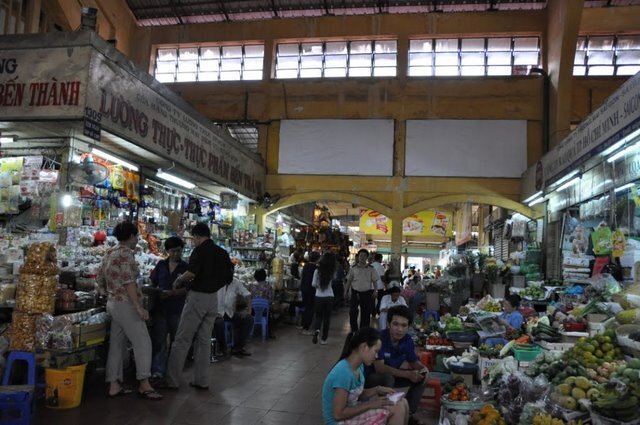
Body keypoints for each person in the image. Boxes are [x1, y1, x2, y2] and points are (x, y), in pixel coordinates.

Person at [161, 222, 234, 391]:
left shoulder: (199, 251)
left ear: (197, 236)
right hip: (213, 299)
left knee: (182, 339)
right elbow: (228, 278)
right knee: (204, 340)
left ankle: (172, 380)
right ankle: (202, 380)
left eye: (193, 238)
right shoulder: (222, 253)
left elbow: (192, 272)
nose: (193, 241)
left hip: (197, 297)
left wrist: (179, 279)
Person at [99, 221, 161, 400]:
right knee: (143, 342)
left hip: (113, 303)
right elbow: (128, 282)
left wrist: (108, 293)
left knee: (116, 344)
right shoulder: (126, 254)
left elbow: (100, 278)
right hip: (126, 304)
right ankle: (144, 383)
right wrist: (138, 307)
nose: (137, 240)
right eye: (136, 237)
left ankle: (114, 384)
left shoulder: (110, 252)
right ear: (132, 236)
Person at [322, 328, 410, 425]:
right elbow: (338, 414)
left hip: (349, 415)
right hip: (339, 422)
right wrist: (371, 404)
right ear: (364, 347)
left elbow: (355, 395)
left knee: (403, 402)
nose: (376, 356)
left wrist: (377, 389)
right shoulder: (343, 373)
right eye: (375, 351)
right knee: (397, 408)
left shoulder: (359, 366)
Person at [366, 306, 428, 417]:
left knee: (422, 377)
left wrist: (423, 369)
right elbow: (380, 368)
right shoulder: (379, 339)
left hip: (394, 375)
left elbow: (413, 361)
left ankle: (408, 412)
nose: (399, 329)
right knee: (387, 378)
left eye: (404, 325)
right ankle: (384, 412)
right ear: (388, 324)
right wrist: (407, 374)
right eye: (395, 324)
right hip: (372, 378)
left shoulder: (407, 340)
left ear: (408, 327)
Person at [149, 236, 188, 380]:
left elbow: (189, 288)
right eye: (173, 251)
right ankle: (158, 370)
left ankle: (173, 371)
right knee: (159, 341)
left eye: (178, 251)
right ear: (167, 251)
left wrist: (172, 293)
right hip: (160, 308)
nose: (176, 254)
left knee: (176, 341)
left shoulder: (185, 268)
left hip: (177, 309)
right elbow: (153, 282)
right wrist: (156, 292)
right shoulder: (161, 265)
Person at [217, 275, 254, 356]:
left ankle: (238, 347)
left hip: (230, 313)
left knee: (248, 319)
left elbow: (247, 294)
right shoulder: (216, 280)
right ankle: (222, 348)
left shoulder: (235, 282)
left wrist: (249, 310)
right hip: (216, 313)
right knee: (219, 323)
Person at [345, 249, 380, 332]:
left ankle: (363, 331)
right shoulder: (353, 268)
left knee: (366, 313)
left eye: (364, 256)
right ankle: (354, 330)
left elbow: (375, 281)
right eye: (361, 255)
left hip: (367, 293)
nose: (362, 257)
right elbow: (349, 281)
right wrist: (345, 291)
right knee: (353, 312)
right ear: (358, 257)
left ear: (367, 257)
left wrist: (376, 291)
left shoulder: (371, 269)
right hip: (355, 292)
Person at [311, 253, 337, 345]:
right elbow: (334, 280)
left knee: (318, 316)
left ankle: (317, 331)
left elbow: (313, 284)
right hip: (329, 296)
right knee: (327, 318)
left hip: (319, 296)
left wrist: (318, 287)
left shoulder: (317, 271)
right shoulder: (332, 271)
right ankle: (324, 339)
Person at [246, 268, 276, 339]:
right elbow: (271, 299)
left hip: (252, 310)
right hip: (264, 311)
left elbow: (248, 298)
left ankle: (249, 332)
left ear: (255, 276)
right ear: (265, 276)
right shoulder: (268, 286)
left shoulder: (250, 285)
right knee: (270, 313)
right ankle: (270, 332)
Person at [300, 251, 320, 335]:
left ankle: (303, 325)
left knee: (305, 307)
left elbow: (302, 277)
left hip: (304, 289)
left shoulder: (305, 266)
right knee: (310, 309)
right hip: (312, 290)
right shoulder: (316, 268)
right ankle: (306, 328)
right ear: (317, 259)